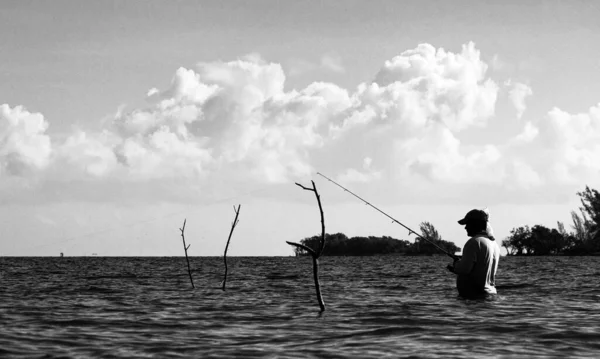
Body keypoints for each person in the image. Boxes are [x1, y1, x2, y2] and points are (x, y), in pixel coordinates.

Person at [447, 209, 500, 297]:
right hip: (490, 297)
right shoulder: (494, 244)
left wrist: (456, 264)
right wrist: (461, 262)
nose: (465, 227)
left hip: (474, 298)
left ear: (475, 224)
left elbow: (464, 269)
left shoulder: (474, 242)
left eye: (467, 224)